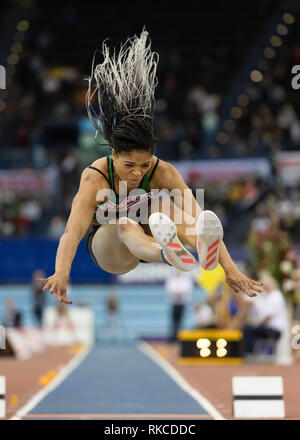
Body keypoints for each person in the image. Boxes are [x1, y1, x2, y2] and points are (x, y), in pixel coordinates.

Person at [38, 29, 263, 304]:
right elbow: (72, 233)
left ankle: (190, 250)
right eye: (129, 164)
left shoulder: (162, 172)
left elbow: (199, 217)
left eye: (144, 164)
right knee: (123, 222)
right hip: (110, 248)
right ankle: (168, 254)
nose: (137, 173)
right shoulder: (94, 178)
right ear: (113, 154)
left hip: (151, 231)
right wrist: (62, 273)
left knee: (164, 207)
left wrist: (230, 268)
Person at [241, 272, 287, 355]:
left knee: (248, 330)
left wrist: (257, 325)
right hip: (268, 328)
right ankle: (250, 353)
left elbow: (267, 317)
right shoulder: (266, 296)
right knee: (248, 328)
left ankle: (249, 353)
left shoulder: (276, 296)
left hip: (274, 329)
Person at [165, 269, 193, 341]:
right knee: (174, 321)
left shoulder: (186, 279)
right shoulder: (171, 278)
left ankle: (180, 336)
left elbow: (188, 289)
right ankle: (173, 337)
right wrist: (178, 293)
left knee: (181, 321)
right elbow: (169, 289)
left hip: (182, 303)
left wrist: (179, 292)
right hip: (174, 303)